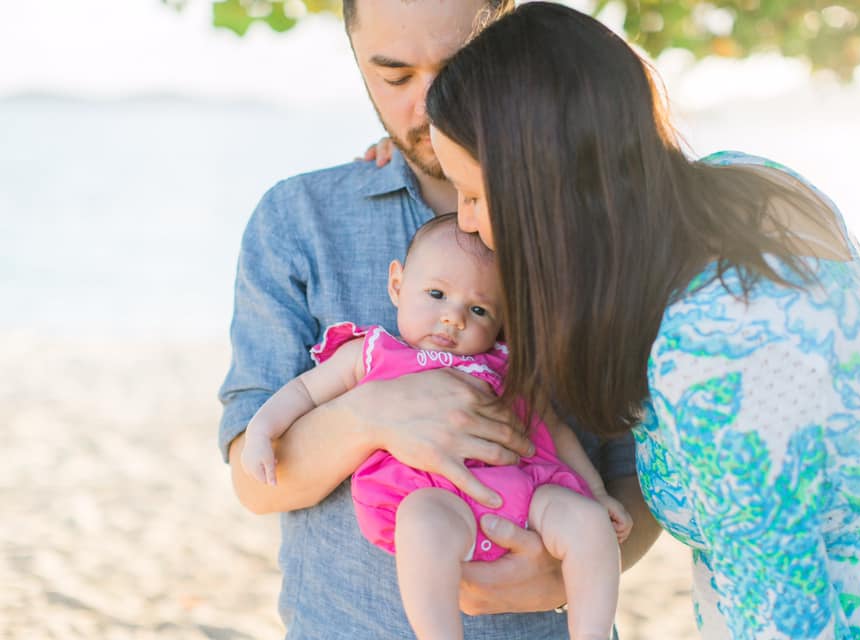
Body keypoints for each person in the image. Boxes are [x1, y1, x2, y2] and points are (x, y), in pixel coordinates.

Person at [424, 3, 860, 638]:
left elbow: (786, 622)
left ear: (547, 189)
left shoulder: (714, 351)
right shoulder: (752, 187)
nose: (466, 222)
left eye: (477, 195)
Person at [217, 1, 660, 638]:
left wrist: (582, 564)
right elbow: (254, 481)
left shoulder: (594, 224)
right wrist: (371, 415)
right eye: (395, 77)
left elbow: (637, 465)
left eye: (457, 72)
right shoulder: (299, 219)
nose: (427, 107)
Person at [241, 214, 632, 640]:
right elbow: (303, 391)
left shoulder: (505, 363)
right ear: (397, 285)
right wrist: (262, 430)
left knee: (589, 523)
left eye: (478, 309)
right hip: (437, 501)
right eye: (436, 294)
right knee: (420, 524)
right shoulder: (371, 353)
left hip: (525, 496)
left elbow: (554, 430)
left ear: (502, 322)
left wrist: (595, 493)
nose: (453, 318)